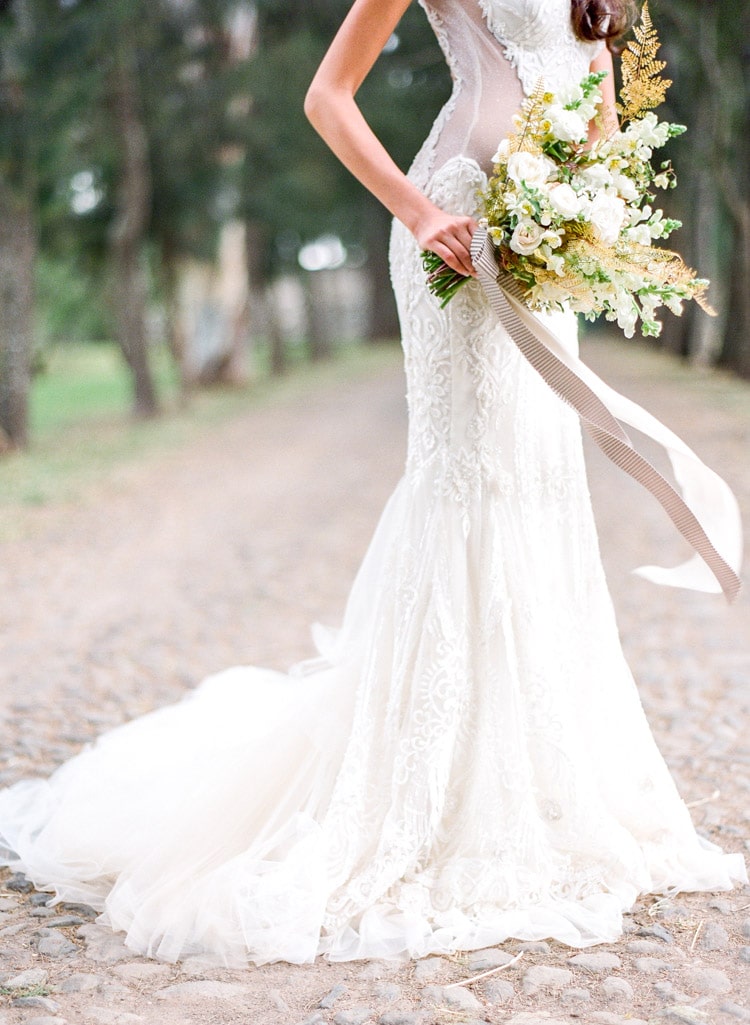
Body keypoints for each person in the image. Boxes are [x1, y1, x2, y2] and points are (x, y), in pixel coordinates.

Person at [0, 0, 745, 968]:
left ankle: (542, 776)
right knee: (470, 481)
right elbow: (327, 95)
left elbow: (602, 112)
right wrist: (420, 207)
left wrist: (585, 222)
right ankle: (425, 791)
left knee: (540, 482)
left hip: (545, 252)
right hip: (450, 233)